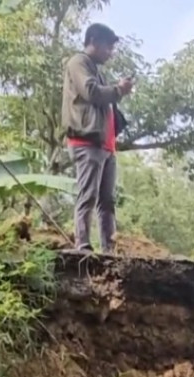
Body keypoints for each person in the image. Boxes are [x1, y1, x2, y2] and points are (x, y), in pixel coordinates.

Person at [62, 23, 133, 253]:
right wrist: (118, 90)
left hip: (105, 145)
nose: (111, 53)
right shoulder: (78, 62)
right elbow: (91, 92)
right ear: (93, 40)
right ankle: (82, 245)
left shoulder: (96, 69)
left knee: (107, 201)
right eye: (108, 47)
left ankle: (109, 249)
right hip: (87, 142)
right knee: (88, 195)